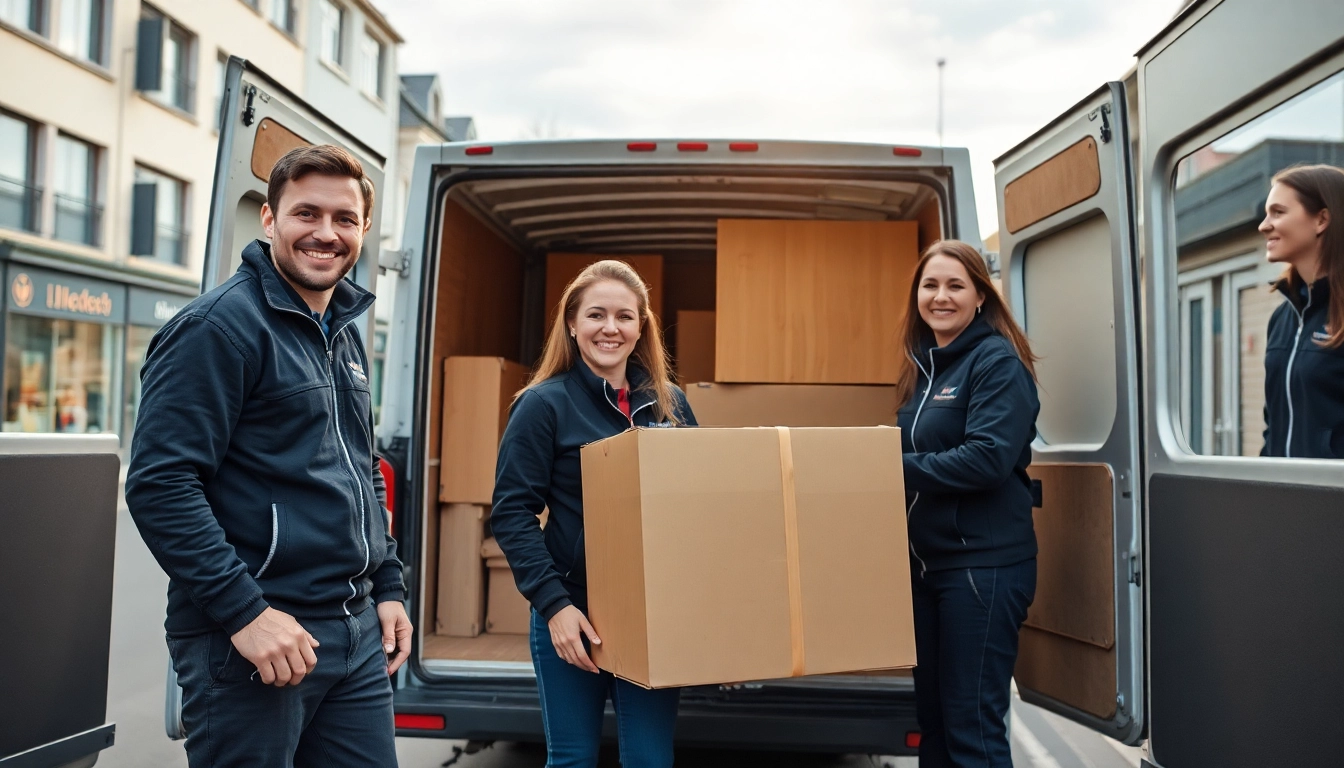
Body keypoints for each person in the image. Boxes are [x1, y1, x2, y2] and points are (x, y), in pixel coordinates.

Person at [126, 145, 410, 767]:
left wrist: (388, 585)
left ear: (364, 229)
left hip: (354, 631)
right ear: (269, 218)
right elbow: (161, 484)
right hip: (257, 640)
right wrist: (245, 613)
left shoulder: (342, 331)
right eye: (307, 213)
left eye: (344, 218)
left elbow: (362, 467)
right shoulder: (217, 328)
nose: (326, 233)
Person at [491, 260, 696, 768]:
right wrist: (554, 606)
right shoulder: (542, 405)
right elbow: (512, 513)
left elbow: (698, 507)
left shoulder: (670, 405)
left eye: (624, 316)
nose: (611, 328)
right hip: (574, 608)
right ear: (572, 324)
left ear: (641, 327)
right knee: (573, 759)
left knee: (651, 760)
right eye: (596, 315)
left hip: (653, 612)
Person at [894, 240, 1040, 768]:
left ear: (981, 295)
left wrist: (885, 467)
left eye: (955, 285)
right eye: (930, 285)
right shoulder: (926, 369)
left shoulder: (996, 363)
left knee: (972, 730)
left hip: (981, 569)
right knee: (934, 726)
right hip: (929, 569)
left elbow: (987, 459)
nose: (941, 296)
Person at [1258, 164, 1344, 458]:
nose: (1264, 225)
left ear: (1321, 220)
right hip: (1282, 488)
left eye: (1278, 212)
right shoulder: (1281, 318)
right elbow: (1272, 427)